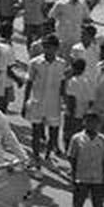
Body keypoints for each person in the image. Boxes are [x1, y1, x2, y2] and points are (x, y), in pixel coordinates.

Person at [24, 34, 66, 166]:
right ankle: (35, 156)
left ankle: (48, 156)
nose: (47, 49)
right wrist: (25, 102)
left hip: (54, 103)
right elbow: (29, 82)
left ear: (56, 48)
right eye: (45, 46)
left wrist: (64, 101)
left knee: (53, 132)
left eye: (50, 47)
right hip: (37, 101)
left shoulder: (61, 64)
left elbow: (63, 83)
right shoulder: (35, 63)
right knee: (36, 131)